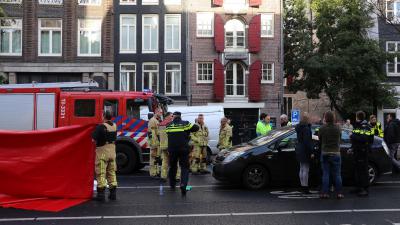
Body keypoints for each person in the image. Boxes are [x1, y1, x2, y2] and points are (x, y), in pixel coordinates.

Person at [166, 112, 199, 197]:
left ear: (173, 117)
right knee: (184, 167)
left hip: (172, 150)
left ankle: (172, 184)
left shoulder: (169, 125)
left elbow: (168, 134)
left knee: (173, 166)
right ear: (180, 116)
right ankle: (183, 185)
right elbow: (196, 128)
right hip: (183, 149)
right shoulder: (186, 123)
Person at [92, 111, 118, 202]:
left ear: (104, 116)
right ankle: (113, 193)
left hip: (103, 152)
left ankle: (101, 194)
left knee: (101, 172)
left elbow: (93, 139)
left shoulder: (101, 127)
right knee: (111, 172)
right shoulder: (114, 125)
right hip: (112, 151)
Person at [318, 111, 343, 199]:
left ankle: (325, 193)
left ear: (325, 118)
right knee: (337, 174)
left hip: (325, 152)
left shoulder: (322, 128)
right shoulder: (338, 128)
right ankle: (339, 193)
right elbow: (340, 138)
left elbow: (319, 139)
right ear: (333, 118)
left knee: (326, 174)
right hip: (336, 153)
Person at [350, 111, 374, 197]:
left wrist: (352, 136)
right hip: (357, 151)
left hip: (362, 151)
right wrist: (352, 147)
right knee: (358, 170)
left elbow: (364, 139)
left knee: (363, 171)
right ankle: (359, 187)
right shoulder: (359, 126)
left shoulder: (365, 126)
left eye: (356, 116)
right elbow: (356, 136)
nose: (355, 118)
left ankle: (365, 189)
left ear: (358, 117)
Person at [294, 112, 314, 194]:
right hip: (305, 150)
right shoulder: (306, 128)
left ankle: (302, 186)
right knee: (306, 169)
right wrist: (312, 151)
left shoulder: (299, 127)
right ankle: (305, 187)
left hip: (299, 148)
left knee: (301, 168)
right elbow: (307, 142)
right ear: (307, 119)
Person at [159, 112, 180, 181]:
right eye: (171, 116)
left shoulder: (161, 124)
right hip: (170, 146)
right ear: (167, 117)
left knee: (165, 161)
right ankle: (177, 176)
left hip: (163, 146)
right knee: (175, 161)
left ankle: (163, 176)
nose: (172, 117)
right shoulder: (170, 124)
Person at [148, 109, 162, 178]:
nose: (161, 113)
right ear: (156, 112)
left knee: (157, 158)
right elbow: (151, 133)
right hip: (154, 143)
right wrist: (153, 144)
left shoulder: (157, 120)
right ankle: (153, 173)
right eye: (160, 112)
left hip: (157, 142)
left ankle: (156, 172)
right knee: (153, 158)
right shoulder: (152, 120)